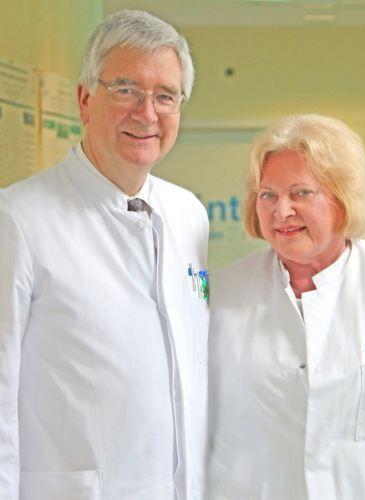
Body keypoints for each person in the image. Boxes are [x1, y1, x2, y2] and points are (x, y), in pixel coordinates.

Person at [0, 10, 209, 500]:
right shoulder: (17, 220)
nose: (147, 113)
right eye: (126, 90)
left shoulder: (188, 214)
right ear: (84, 99)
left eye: (166, 96)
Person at [207, 114, 365, 500]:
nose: (281, 211)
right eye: (267, 195)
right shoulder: (221, 293)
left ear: (343, 197)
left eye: (301, 193)